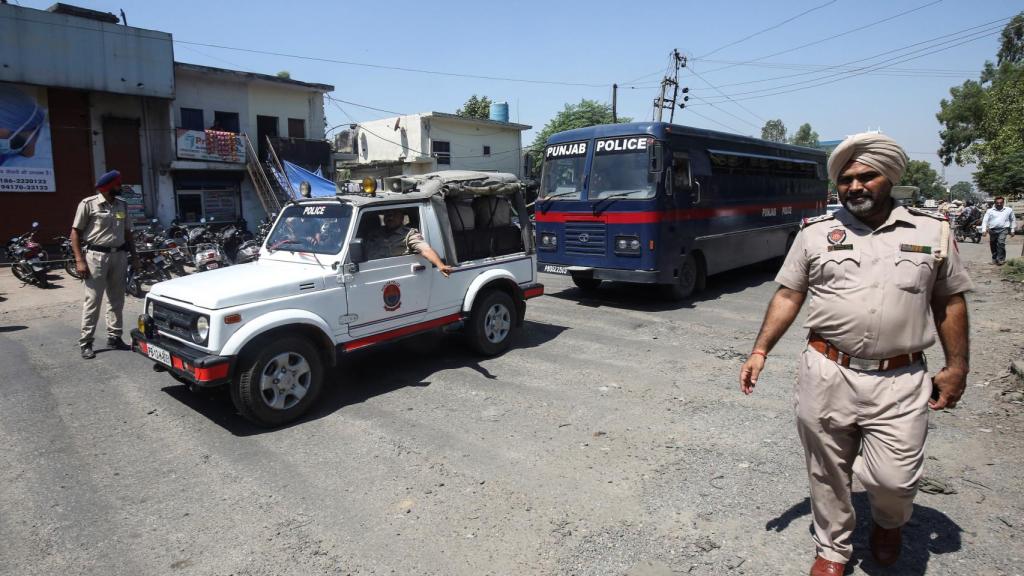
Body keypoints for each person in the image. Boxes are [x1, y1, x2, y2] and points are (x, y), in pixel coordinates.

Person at [738, 133, 973, 575]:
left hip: (901, 379)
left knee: (894, 479)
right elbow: (789, 294)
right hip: (827, 370)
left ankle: (888, 523)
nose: (855, 186)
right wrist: (760, 350)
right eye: (846, 179)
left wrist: (957, 367)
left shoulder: (932, 231)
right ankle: (832, 548)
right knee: (827, 468)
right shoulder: (816, 233)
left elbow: (950, 302)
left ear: (890, 178)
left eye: (867, 176)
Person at [71, 170, 140, 359]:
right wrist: (79, 260)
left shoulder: (122, 205)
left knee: (117, 299)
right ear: (109, 187)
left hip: (119, 256)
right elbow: (75, 233)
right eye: (118, 185)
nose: (121, 188)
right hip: (96, 257)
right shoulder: (88, 204)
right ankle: (86, 342)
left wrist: (134, 256)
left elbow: (128, 233)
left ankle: (115, 337)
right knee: (93, 301)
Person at [364, 209, 453, 276]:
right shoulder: (375, 233)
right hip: (370, 271)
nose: (390, 217)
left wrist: (440, 265)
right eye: (388, 215)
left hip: (396, 273)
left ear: (402, 218)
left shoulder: (409, 234)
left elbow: (425, 250)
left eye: (395, 215)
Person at [980, 196, 1016, 265]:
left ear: (1003, 203)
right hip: (992, 230)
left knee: (1001, 243)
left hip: (1003, 229)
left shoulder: (1009, 210)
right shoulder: (990, 211)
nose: (999, 204)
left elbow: (1013, 220)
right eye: (997, 203)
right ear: (995, 203)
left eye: (1001, 203)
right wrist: (984, 230)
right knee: (993, 244)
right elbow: (985, 220)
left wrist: (1012, 230)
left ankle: (1001, 259)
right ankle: (994, 258)